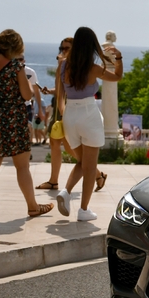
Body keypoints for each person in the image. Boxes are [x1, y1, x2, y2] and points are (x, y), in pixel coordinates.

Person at [0, 29, 54, 219]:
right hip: (14, 119)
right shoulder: (15, 67)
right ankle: (33, 207)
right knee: (22, 166)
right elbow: (27, 95)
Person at [55, 27, 123, 221]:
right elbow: (117, 77)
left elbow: (61, 93)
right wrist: (119, 59)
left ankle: (66, 192)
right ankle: (84, 210)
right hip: (88, 113)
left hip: (70, 115)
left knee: (83, 162)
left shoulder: (63, 65)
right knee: (90, 166)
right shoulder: (93, 68)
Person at [35, 38, 107, 192]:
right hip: (61, 111)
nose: (63, 51)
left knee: (70, 149)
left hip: (73, 112)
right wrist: (51, 91)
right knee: (54, 144)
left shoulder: (80, 66)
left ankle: (98, 175)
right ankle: (54, 181)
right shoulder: (63, 65)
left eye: (67, 48)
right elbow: (61, 88)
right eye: (61, 48)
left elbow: (76, 88)